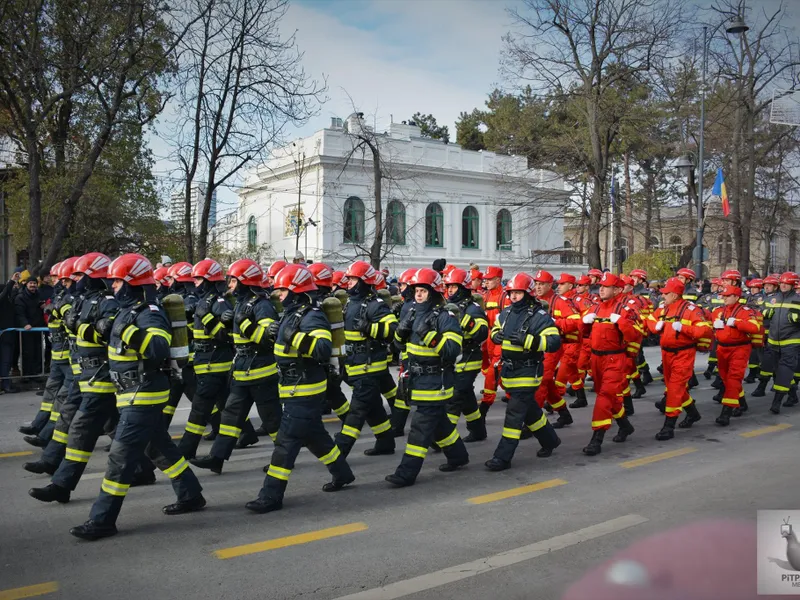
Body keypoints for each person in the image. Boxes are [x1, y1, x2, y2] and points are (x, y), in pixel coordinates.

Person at [70, 253, 205, 541]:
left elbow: (156, 347)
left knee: (120, 458)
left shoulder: (149, 312)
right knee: (159, 447)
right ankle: (191, 494)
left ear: (132, 283)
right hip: (129, 392)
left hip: (143, 393)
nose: (113, 286)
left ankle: (102, 519)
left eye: (118, 281)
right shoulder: (125, 310)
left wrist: (128, 331)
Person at [246, 264, 354, 513]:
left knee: (286, 443)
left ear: (296, 291)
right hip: (292, 386)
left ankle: (270, 495)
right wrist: (276, 333)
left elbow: (322, 350)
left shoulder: (312, 315)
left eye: (283, 291)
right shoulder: (291, 314)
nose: (279, 296)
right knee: (315, 437)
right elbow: (286, 344)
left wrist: (293, 337)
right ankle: (343, 473)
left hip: (305, 388)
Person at [191, 259, 282, 474]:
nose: (229, 284)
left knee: (272, 420)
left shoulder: (262, 305)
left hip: (261, 371)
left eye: (233, 280)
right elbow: (233, 339)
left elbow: (269, 340)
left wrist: (245, 323)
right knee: (230, 417)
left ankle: (284, 457)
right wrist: (223, 322)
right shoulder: (241, 303)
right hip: (242, 371)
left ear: (245, 281)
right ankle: (217, 457)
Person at [386, 268, 468, 486]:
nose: (418, 294)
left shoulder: (445, 316)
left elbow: (453, 351)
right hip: (416, 379)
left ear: (433, 292)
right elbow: (399, 346)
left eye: (423, 290)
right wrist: (399, 334)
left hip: (435, 381)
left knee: (420, 429)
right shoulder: (411, 311)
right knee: (440, 423)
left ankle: (406, 473)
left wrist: (431, 337)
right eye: (416, 291)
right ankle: (458, 456)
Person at [484, 272, 562, 471]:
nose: (513, 297)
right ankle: (550, 440)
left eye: (518, 293)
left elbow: (553, 342)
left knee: (514, 415)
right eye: (511, 293)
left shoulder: (539, 316)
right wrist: (496, 336)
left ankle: (502, 457)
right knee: (530, 412)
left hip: (528, 371)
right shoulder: (506, 313)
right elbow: (494, 329)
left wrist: (530, 341)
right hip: (509, 371)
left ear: (527, 294)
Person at [334, 261, 397, 458]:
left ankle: (340, 451)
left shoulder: (375, 305)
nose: (349, 283)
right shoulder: (350, 303)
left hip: (369, 368)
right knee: (374, 409)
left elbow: (393, 330)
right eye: (349, 279)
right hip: (356, 365)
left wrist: (370, 328)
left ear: (364, 282)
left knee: (357, 413)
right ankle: (385, 442)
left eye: (353, 279)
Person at [176, 259, 233, 460]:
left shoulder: (218, 303)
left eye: (200, 279)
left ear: (209, 280)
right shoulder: (203, 301)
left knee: (199, 411)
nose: (196, 283)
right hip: (205, 363)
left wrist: (207, 318)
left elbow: (226, 337)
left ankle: (186, 450)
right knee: (228, 410)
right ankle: (219, 455)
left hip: (215, 365)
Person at [580, 273, 638, 455]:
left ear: (617, 290)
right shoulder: (595, 309)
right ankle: (625, 425)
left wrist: (621, 322)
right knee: (608, 397)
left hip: (614, 359)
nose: (601, 289)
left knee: (604, 398)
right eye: (601, 286)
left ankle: (597, 438)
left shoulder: (624, 310)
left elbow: (635, 336)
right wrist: (583, 323)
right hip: (597, 360)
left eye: (606, 286)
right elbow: (584, 335)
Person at [647, 277, 709, 440]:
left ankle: (669, 426)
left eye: (666, 293)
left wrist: (684, 328)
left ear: (675, 295)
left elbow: (703, 330)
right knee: (675, 388)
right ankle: (693, 414)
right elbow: (650, 320)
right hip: (666, 354)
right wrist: (656, 326)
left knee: (674, 389)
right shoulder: (664, 309)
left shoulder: (691, 309)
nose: (662, 296)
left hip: (683, 354)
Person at [443, 268, 489, 442]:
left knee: (454, 398)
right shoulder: (448, 306)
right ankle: (478, 431)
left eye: (454, 287)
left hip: (469, 359)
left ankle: (445, 437)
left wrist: (463, 319)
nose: (450, 290)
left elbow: (482, 333)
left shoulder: (473, 308)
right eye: (449, 287)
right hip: (454, 358)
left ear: (463, 288)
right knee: (467, 397)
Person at [533, 270, 578, 429]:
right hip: (537, 345)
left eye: (541, 284)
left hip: (553, 345)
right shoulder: (534, 301)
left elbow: (575, 322)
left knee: (541, 379)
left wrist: (556, 322)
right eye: (536, 284)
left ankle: (533, 422)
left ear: (549, 285)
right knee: (548, 383)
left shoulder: (560, 301)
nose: (538, 287)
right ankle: (564, 414)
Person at [711, 284, 761, 426]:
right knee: (726, 378)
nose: (724, 298)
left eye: (728, 296)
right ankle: (741, 403)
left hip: (739, 348)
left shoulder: (745, 311)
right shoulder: (719, 311)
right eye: (723, 296)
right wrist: (716, 326)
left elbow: (755, 327)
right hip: (722, 348)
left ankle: (726, 412)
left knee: (733, 379)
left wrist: (737, 323)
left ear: (736, 297)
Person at [761, 271, 800, 414]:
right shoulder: (773, 299)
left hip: (791, 342)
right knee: (778, 372)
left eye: (786, 284)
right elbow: (761, 312)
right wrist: (766, 313)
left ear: (793, 285)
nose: (783, 286)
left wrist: (798, 318)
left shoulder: (798, 299)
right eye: (782, 283)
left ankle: (776, 402)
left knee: (785, 371)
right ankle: (793, 395)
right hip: (773, 342)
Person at [480, 266, 506, 412]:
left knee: (493, 371)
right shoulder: (486, 295)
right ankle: (511, 394)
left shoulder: (505, 297)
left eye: (489, 279)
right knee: (497, 371)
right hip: (489, 337)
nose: (487, 282)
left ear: (498, 280)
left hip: (500, 338)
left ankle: (484, 407)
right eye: (486, 279)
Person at [752, 274, 779, 398]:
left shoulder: (777, 298)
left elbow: (772, 313)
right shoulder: (760, 298)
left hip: (772, 335)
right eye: (765, 285)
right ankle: (777, 383)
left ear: (775, 287)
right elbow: (752, 311)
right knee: (764, 360)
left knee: (768, 361)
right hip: (760, 334)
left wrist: (760, 313)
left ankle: (762, 386)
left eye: (770, 285)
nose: (767, 287)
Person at [14, 274, 46, 383]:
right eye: (30, 283)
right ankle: (26, 375)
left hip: (38, 328)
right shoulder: (21, 297)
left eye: (34, 283)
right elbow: (19, 313)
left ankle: (36, 374)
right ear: (26, 284)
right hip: (26, 329)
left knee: (38, 351)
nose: (33, 285)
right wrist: (25, 324)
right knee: (28, 352)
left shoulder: (38, 295)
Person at [0, 270, 21, 393]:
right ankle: (5, 384)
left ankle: (6, 383)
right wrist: (11, 281)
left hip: (8, 335)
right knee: (4, 361)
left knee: (6, 361)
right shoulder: (3, 299)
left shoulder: (8, 302)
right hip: (4, 334)